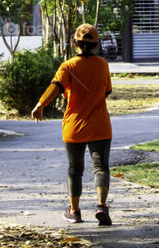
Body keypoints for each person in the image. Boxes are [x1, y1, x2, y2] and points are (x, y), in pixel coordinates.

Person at [31, 23, 113, 225]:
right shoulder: (103, 65)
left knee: (75, 170)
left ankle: (74, 212)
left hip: (74, 127)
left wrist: (40, 104)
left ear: (75, 43)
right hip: (100, 125)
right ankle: (101, 206)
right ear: (96, 45)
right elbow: (106, 91)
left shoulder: (68, 66)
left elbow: (55, 86)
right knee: (101, 167)